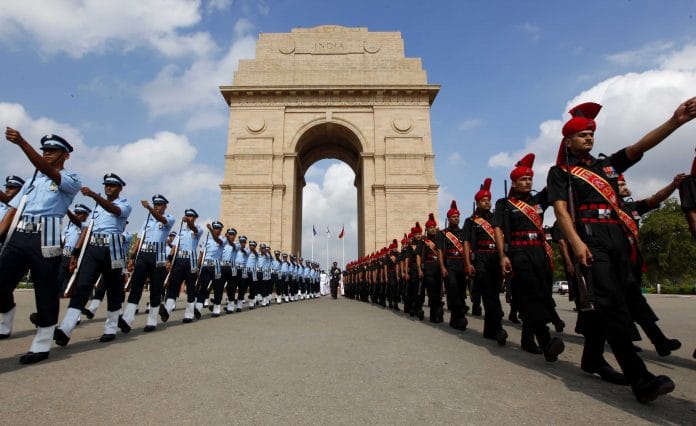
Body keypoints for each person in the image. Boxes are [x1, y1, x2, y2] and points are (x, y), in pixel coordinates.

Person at [548, 98, 696, 402]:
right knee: (612, 307)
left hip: (618, 240)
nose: (589, 138)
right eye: (582, 134)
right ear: (568, 140)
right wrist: (576, 244)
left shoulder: (607, 165)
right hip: (591, 239)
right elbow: (562, 212)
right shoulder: (560, 173)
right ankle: (640, 379)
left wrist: (675, 121)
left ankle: (591, 359)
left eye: (591, 134)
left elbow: (640, 147)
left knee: (620, 303)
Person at [0, 129, 81, 364]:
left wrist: (23, 143)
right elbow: (14, 208)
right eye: (44, 150)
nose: (46, 154)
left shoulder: (72, 179)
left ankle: (42, 342)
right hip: (20, 234)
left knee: (45, 289)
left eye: (52, 151)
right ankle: (8, 311)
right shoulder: (33, 180)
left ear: (65, 155)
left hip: (47, 236)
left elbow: (48, 170)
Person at [494, 154, 564, 362]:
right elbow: (498, 230)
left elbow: (557, 182)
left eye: (529, 179)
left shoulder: (539, 200)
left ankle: (527, 339)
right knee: (530, 293)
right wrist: (502, 255)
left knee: (540, 294)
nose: (527, 182)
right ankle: (545, 340)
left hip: (540, 253)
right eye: (523, 179)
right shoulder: (504, 204)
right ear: (514, 183)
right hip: (518, 252)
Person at [55, 173, 132, 345]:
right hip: (93, 248)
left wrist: (93, 195)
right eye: (106, 185)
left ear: (120, 188)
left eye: (112, 185)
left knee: (113, 289)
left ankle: (111, 328)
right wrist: (76, 252)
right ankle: (65, 328)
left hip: (113, 250)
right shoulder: (97, 209)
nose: (108, 188)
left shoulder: (124, 204)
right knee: (83, 285)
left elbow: (115, 211)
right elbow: (87, 229)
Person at [618, 174, 684, 356]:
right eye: (621, 183)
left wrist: (673, 185)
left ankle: (659, 341)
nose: (625, 186)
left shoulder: (631, 208)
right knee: (627, 304)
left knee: (635, 303)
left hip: (633, 264)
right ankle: (649, 341)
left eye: (625, 183)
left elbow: (654, 199)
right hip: (615, 264)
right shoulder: (605, 210)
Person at [120, 194, 174, 332]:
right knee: (136, 285)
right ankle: (128, 318)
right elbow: (140, 238)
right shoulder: (147, 221)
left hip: (158, 256)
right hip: (143, 254)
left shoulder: (169, 218)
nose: (157, 206)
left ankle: (152, 320)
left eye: (159, 204)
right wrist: (132, 256)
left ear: (165, 206)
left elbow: (161, 218)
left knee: (156, 288)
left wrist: (149, 208)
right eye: (155, 204)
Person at [463, 178, 507, 345]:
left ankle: (489, 331)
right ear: (477, 202)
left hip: (495, 259)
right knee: (490, 296)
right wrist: (468, 263)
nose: (487, 202)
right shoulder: (471, 222)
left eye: (488, 200)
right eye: (483, 200)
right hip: (481, 259)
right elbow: (466, 243)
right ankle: (498, 330)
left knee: (494, 294)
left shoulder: (497, 218)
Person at [161, 208, 203, 323]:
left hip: (191, 261)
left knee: (190, 287)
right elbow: (174, 247)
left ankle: (189, 314)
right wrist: (169, 260)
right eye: (187, 216)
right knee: (173, 285)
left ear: (195, 218)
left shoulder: (198, 229)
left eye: (191, 216)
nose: (189, 217)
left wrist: (189, 222)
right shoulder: (180, 232)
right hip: (179, 260)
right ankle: (167, 310)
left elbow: (194, 228)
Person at [441, 200, 468, 330]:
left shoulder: (463, 233)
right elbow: (441, 252)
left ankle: (454, 319)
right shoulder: (443, 234)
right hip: (450, 265)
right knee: (453, 290)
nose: (456, 219)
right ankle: (460, 316)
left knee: (462, 292)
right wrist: (442, 267)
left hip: (461, 265)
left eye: (457, 217)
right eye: (453, 217)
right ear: (448, 218)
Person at [416, 213, 444, 323]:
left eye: (434, 227)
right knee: (432, 293)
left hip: (438, 268)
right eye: (430, 228)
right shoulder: (423, 242)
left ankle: (438, 311)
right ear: (426, 229)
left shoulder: (440, 239)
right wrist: (419, 269)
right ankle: (434, 316)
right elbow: (418, 255)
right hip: (428, 269)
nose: (432, 229)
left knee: (438, 292)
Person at [196, 221, 224, 317]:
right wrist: (197, 266)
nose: (216, 230)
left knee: (217, 288)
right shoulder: (207, 240)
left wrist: (210, 229)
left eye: (218, 228)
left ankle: (216, 308)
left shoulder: (222, 239)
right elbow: (201, 254)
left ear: (220, 230)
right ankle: (198, 308)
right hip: (205, 266)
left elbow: (217, 239)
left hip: (216, 266)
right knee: (203, 287)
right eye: (215, 228)